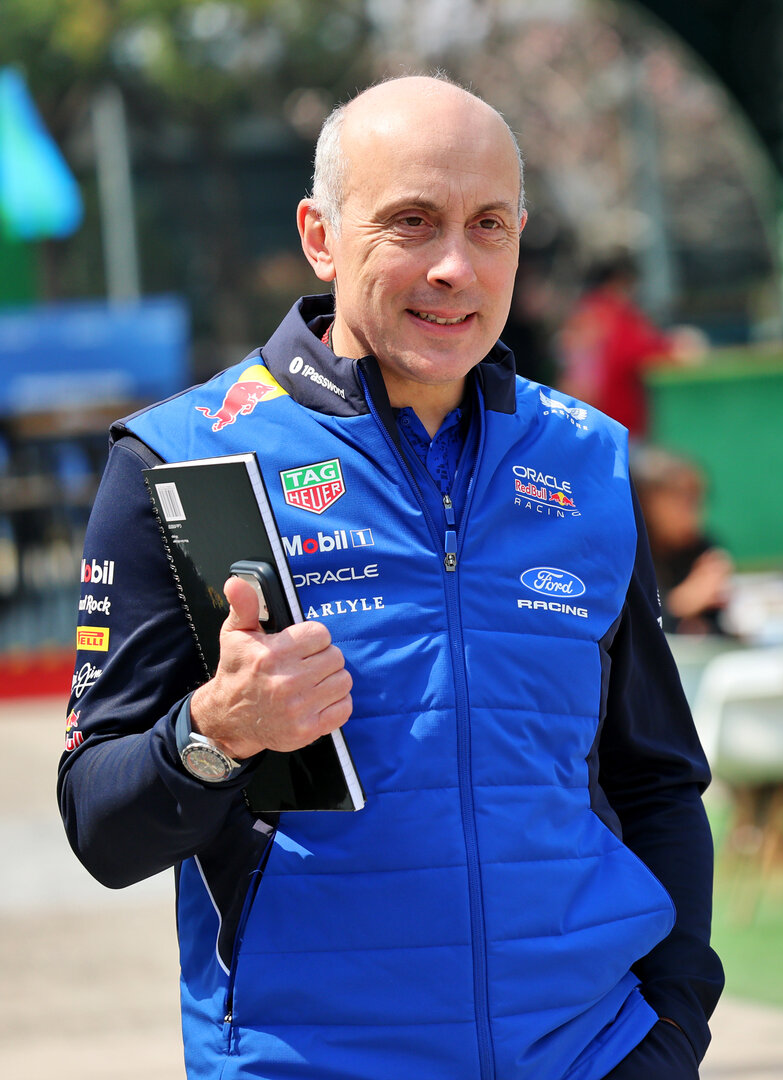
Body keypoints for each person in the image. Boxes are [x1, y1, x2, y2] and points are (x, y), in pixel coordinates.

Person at [57, 76, 721, 1080]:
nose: (454, 265)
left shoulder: (588, 461)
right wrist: (217, 734)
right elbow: (101, 826)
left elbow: (658, 780)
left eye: (488, 225)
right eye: (411, 221)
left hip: (592, 1053)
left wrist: (671, 1031)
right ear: (321, 237)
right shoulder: (184, 461)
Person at [557, 251, 703, 440]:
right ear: (620, 282)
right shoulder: (613, 315)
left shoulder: (581, 313)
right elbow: (637, 350)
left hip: (576, 420)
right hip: (610, 422)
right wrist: (679, 347)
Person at [632, 445, 732, 637]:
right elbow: (632, 626)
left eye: (696, 500)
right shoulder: (630, 553)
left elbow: (714, 621)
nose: (693, 513)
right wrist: (684, 603)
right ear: (646, 504)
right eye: (681, 501)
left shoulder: (701, 548)